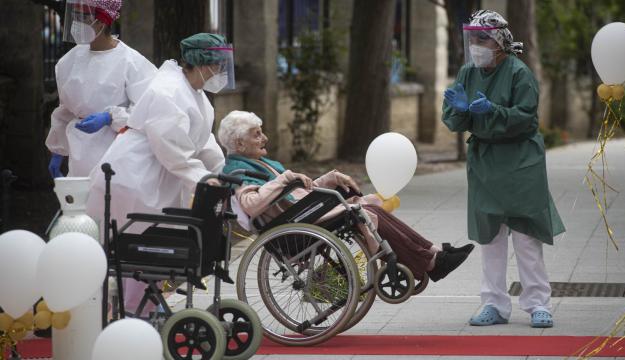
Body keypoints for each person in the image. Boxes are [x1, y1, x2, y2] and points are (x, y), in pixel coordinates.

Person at [218, 110, 475, 284]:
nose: (264, 138)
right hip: (294, 226)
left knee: (371, 202)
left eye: (261, 132)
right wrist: (283, 178)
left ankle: (432, 253)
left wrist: (327, 179)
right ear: (239, 145)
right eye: (256, 134)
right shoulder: (240, 171)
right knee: (365, 211)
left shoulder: (261, 163)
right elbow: (252, 206)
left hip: (300, 213)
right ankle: (430, 261)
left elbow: (295, 194)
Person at [88, 33, 232, 314]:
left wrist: (223, 172)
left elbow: (204, 142)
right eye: (218, 64)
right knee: (137, 244)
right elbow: (173, 148)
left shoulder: (196, 95)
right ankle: (130, 311)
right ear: (201, 63)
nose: (221, 72)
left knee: (148, 245)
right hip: (135, 177)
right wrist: (204, 178)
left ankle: (141, 309)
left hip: (156, 176)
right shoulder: (169, 90)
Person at [442, 10, 565, 328]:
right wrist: (458, 112)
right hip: (485, 162)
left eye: (481, 38)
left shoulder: (519, 73)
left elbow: (525, 118)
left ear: (498, 42)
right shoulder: (468, 73)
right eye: (472, 38)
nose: (475, 45)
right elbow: (456, 118)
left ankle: (539, 304)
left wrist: (493, 110)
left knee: (526, 237)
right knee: (491, 237)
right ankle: (494, 304)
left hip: (521, 160)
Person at [45, 0, 157, 178]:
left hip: (118, 153)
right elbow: (65, 110)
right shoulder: (69, 61)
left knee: (110, 202)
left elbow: (149, 111)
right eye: (75, 15)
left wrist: (111, 117)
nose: (77, 21)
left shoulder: (132, 63)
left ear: (103, 20)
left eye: (84, 16)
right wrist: (58, 150)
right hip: (79, 153)